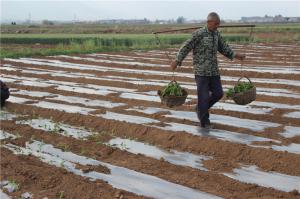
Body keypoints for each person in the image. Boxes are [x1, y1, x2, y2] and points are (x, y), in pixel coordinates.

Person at [170, 12, 245, 128]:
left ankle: (200, 108)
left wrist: (236, 55)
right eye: (216, 24)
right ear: (209, 22)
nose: (217, 26)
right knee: (203, 97)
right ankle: (204, 122)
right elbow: (186, 46)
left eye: (218, 24)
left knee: (218, 93)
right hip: (201, 72)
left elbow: (224, 48)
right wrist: (177, 60)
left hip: (214, 71)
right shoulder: (199, 34)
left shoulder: (216, 34)